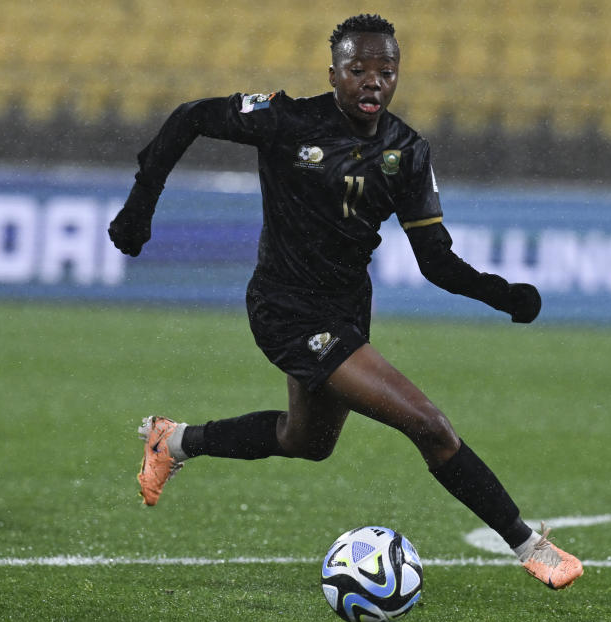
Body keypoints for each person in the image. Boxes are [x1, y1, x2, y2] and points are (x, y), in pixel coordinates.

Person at [109, 14, 582, 589]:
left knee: (306, 441)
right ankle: (529, 544)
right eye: (357, 70)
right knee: (429, 425)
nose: (372, 82)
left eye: (386, 71)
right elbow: (191, 118)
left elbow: (435, 260)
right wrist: (140, 205)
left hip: (346, 311)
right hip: (284, 308)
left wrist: (502, 295)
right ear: (332, 74)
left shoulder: (407, 151)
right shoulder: (286, 119)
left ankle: (174, 440)